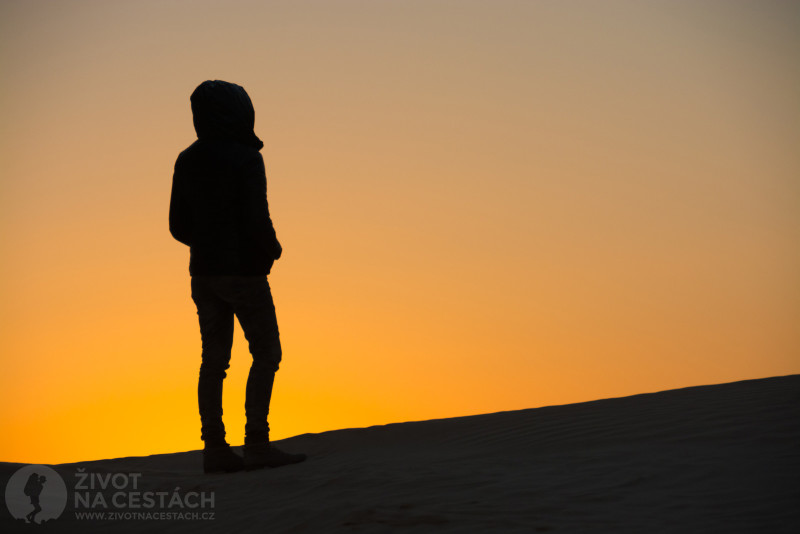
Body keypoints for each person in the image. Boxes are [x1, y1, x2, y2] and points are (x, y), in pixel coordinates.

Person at [169, 80, 306, 473]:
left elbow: (178, 225)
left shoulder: (187, 159)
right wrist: (272, 249)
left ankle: (214, 447)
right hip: (243, 272)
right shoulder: (245, 158)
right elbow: (256, 217)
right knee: (266, 353)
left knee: (213, 361)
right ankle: (257, 443)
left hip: (203, 273)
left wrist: (206, 245)